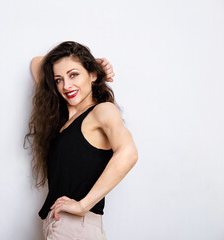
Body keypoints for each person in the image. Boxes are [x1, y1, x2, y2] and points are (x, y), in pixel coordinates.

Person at [25, 41, 138, 240]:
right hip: (60, 225)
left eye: (74, 75)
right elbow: (37, 63)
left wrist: (82, 205)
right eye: (58, 79)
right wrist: (89, 63)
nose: (66, 85)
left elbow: (128, 153)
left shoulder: (102, 111)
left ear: (93, 75)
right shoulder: (65, 119)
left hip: (76, 227)